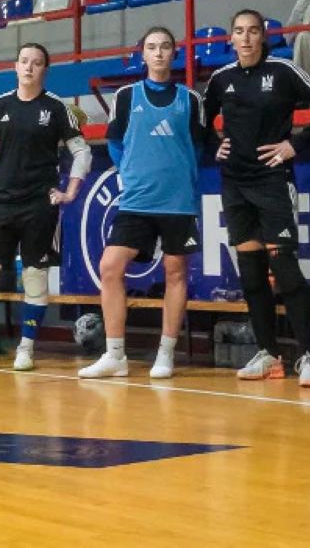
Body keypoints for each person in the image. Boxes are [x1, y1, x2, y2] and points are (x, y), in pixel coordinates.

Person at [203, 9, 310, 386]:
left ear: (263, 36)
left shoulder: (283, 71)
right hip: (234, 184)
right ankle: (268, 354)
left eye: (253, 31)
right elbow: (199, 122)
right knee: (251, 274)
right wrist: (214, 146)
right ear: (230, 39)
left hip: (273, 182)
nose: (246, 38)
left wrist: (296, 144)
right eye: (239, 31)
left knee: (284, 269)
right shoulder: (220, 79)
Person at [0, 42, 90, 371]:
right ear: (15, 66)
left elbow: (82, 152)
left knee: (35, 276)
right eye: (24, 61)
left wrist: (70, 192)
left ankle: (26, 348)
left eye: (36, 63)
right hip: (0, 202)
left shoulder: (57, 108)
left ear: (44, 70)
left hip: (39, 205)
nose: (29, 67)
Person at [79, 26, 203, 380]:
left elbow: (197, 147)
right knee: (110, 266)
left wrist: (178, 178)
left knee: (175, 273)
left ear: (174, 53)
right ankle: (115, 355)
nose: (159, 53)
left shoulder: (191, 100)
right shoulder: (125, 97)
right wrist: (131, 173)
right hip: (136, 201)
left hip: (177, 203)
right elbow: (115, 144)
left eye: (165, 46)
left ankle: (166, 354)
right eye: (152, 47)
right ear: (143, 55)